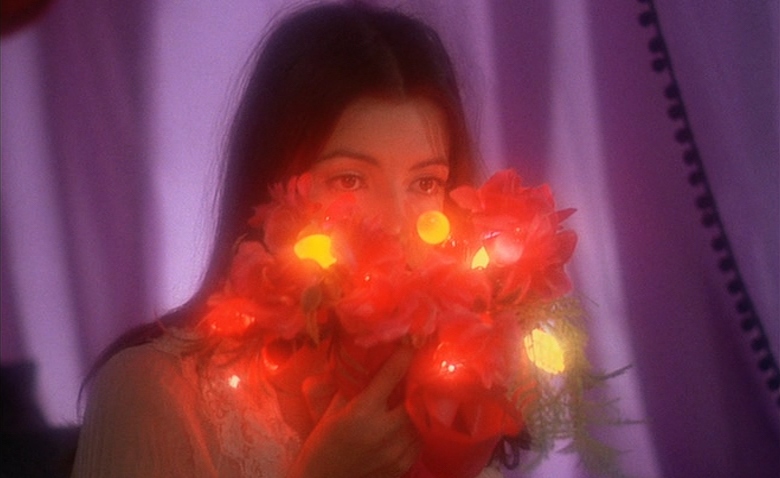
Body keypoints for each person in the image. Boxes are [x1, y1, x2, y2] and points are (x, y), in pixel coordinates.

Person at [71, 3, 517, 477]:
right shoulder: (154, 389)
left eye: (425, 183)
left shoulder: (456, 377)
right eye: (349, 180)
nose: (395, 225)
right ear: (274, 184)